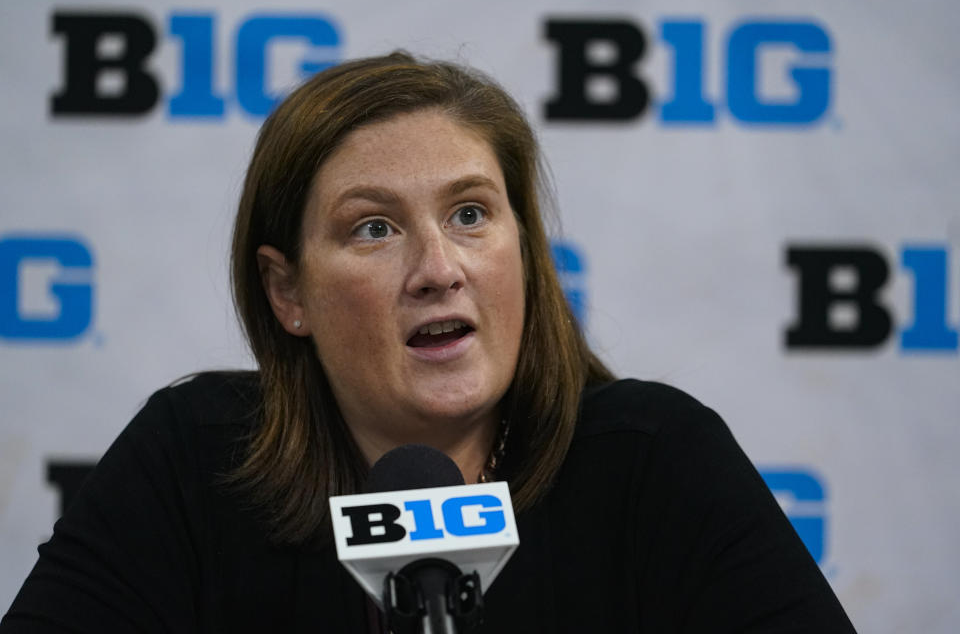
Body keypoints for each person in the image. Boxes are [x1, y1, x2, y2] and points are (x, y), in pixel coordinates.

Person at [1, 52, 857, 633]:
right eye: (374, 228)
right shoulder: (194, 461)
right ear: (287, 291)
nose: (438, 268)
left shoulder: (653, 461)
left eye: (471, 214)